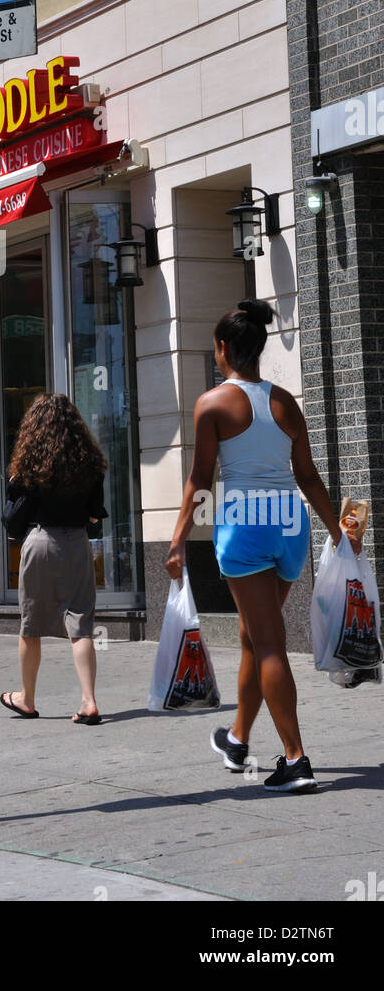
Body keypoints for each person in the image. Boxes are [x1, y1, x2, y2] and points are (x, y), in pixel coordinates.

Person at [166, 299, 361, 794]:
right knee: (254, 636)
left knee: (269, 642)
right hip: (290, 525)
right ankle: (237, 739)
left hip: (245, 525)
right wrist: (337, 533)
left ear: (224, 348)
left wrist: (177, 542)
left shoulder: (212, 404)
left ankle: (295, 760)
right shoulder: (285, 402)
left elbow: (200, 480)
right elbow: (308, 476)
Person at [0, 393, 107, 724]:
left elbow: (14, 511)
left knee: (31, 624)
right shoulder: (90, 464)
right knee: (81, 624)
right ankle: (89, 701)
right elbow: (95, 515)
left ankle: (26, 698)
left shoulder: (30, 464)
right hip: (76, 543)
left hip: (41, 541)